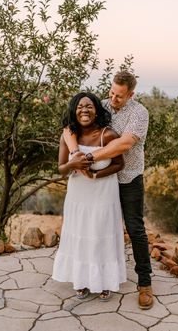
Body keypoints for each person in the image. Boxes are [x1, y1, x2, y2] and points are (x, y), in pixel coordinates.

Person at [64, 71, 153, 309]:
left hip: (128, 177)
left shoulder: (139, 113)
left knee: (135, 229)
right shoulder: (100, 105)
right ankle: (94, 276)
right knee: (98, 229)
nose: (113, 99)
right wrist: (75, 154)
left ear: (131, 95)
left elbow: (123, 144)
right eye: (112, 93)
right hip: (103, 183)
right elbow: (70, 128)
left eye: (119, 96)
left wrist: (90, 157)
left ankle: (145, 284)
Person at [52, 92, 126, 301]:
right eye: (80, 107)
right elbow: (61, 169)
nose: (84, 110)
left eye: (89, 106)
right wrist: (72, 164)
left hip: (103, 195)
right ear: (74, 111)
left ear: (96, 110)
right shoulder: (68, 136)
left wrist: (95, 174)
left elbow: (120, 164)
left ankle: (104, 281)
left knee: (100, 235)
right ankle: (82, 279)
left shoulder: (108, 135)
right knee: (81, 235)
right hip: (78, 196)